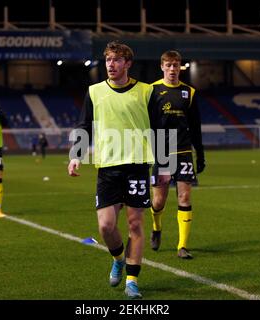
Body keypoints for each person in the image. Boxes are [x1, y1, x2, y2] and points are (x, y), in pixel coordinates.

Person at [68, 41, 154, 299]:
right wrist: (76, 156)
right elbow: (84, 125)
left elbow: (161, 129)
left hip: (137, 164)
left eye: (116, 60)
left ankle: (132, 281)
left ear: (127, 63)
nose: (111, 65)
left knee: (135, 224)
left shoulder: (146, 91)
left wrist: (165, 166)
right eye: (108, 60)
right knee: (106, 226)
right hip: (107, 166)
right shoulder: (94, 91)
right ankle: (118, 258)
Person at [149, 50, 206, 259]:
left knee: (185, 196)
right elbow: (146, 124)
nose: (173, 69)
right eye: (169, 65)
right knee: (158, 201)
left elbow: (195, 126)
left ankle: (182, 246)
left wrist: (200, 154)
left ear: (180, 66)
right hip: (162, 152)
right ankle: (156, 228)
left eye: (176, 65)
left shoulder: (188, 92)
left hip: (183, 151)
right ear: (162, 66)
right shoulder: (152, 91)